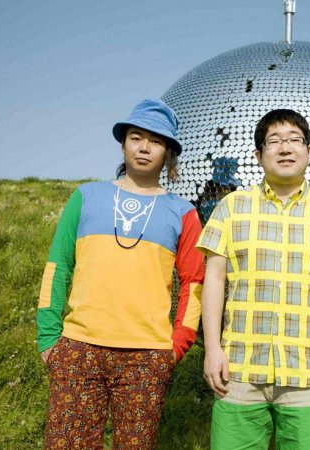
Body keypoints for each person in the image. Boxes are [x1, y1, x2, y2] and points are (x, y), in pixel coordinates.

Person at [36, 99, 205, 449]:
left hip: (147, 355)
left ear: (168, 153)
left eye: (156, 141)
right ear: (123, 144)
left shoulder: (183, 213)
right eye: (136, 137)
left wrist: (176, 346)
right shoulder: (85, 197)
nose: (144, 147)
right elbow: (57, 267)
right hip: (79, 348)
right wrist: (48, 338)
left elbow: (194, 283)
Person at [197, 109, 310, 449]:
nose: (285, 148)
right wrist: (212, 349)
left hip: (307, 372)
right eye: (274, 141)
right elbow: (213, 280)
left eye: (294, 140)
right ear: (258, 155)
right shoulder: (231, 206)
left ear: (309, 151)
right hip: (238, 371)